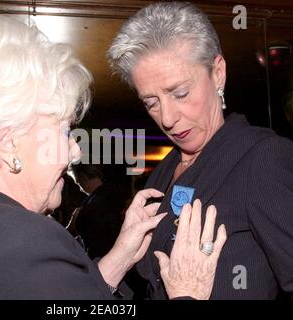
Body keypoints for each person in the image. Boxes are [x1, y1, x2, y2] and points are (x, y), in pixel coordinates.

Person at [0, 13, 226, 300]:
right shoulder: (25, 242)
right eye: (63, 131)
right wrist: (187, 292)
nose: (75, 149)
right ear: (7, 141)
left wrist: (117, 261)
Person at [108, 1, 293, 299]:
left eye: (180, 93)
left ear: (217, 74)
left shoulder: (263, 158)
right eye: (151, 102)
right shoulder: (165, 169)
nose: (167, 119)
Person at [66, 164, 126, 259]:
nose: (80, 189)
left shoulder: (90, 206)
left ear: (83, 177)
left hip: (100, 260)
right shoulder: (119, 194)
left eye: (78, 183)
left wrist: (73, 224)